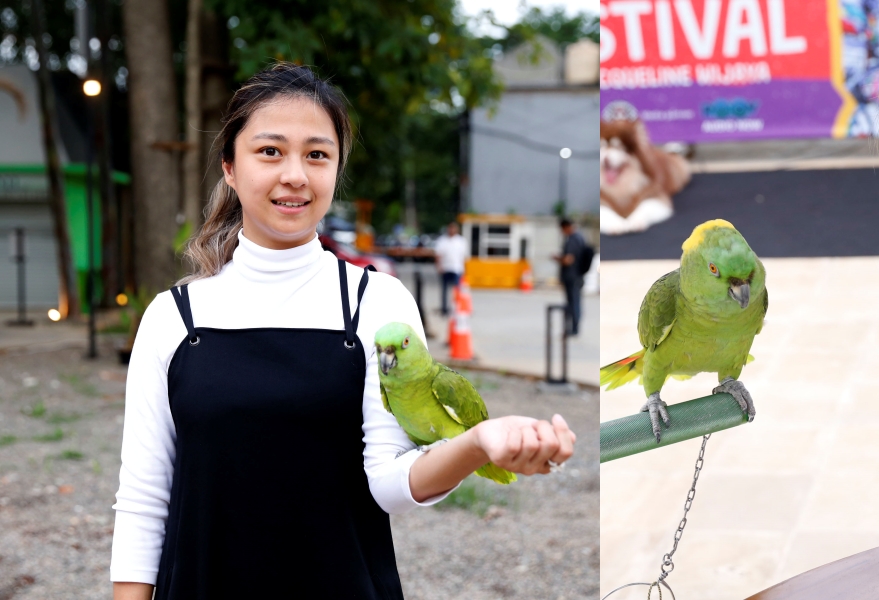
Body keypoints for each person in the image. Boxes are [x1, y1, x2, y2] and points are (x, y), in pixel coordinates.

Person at [110, 63, 576, 600]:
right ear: (230, 168)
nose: (295, 175)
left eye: (316, 154)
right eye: (270, 151)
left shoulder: (377, 304)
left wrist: (475, 443)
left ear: (336, 169)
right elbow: (145, 499)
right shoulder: (173, 317)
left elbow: (390, 483)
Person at [555, 218, 586, 336]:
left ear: (566, 227)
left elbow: (568, 259)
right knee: (575, 301)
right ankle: (574, 328)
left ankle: (573, 329)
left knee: (573, 302)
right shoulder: (580, 238)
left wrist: (557, 258)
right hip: (577, 276)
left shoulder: (573, 240)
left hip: (572, 277)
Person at [434, 221, 468, 316]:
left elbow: (463, 256)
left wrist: (465, 269)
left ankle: (456, 308)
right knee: (444, 290)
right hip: (445, 268)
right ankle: (444, 309)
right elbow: (438, 255)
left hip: (457, 268)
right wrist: (439, 267)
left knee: (457, 290)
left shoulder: (461, 241)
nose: (452, 230)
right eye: (450, 228)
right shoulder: (442, 240)